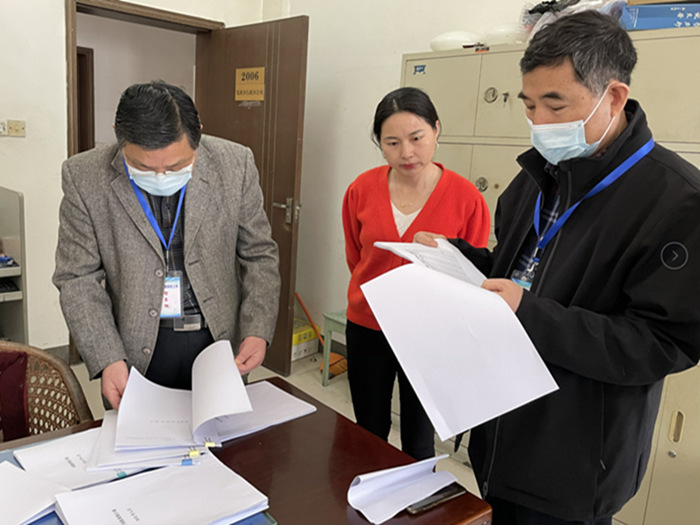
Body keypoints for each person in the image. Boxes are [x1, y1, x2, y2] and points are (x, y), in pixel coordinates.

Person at [416, 11, 700, 524]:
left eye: (556, 105)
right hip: (502, 430)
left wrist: (528, 314)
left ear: (613, 97)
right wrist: (454, 256)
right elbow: (520, 270)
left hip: (575, 460)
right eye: (529, 105)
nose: (540, 123)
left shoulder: (676, 201)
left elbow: (660, 344)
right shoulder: (538, 177)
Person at [53, 81, 280, 409]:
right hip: (136, 346)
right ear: (118, 135)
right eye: (143, 167)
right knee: (141, 439)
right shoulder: (84, 176)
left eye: (176, 166)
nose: (161, 176)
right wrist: (107, 357)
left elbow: (259, 254)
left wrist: (257, 329)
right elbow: (77, 277)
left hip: (218, 339)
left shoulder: (235, 163)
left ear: (198, 134)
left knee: (222, 433)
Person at [342, 87, 490, 460]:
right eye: (392, 143)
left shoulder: (467, 198)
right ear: (379, 143)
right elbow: (356, 257)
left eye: (417, 138)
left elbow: (472, 272)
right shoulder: (361, 189)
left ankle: (416, 495)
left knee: (419, 438)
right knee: (369, 431)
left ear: (436, 130)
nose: (406, 152)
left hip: (431, 333)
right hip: (369, 326)